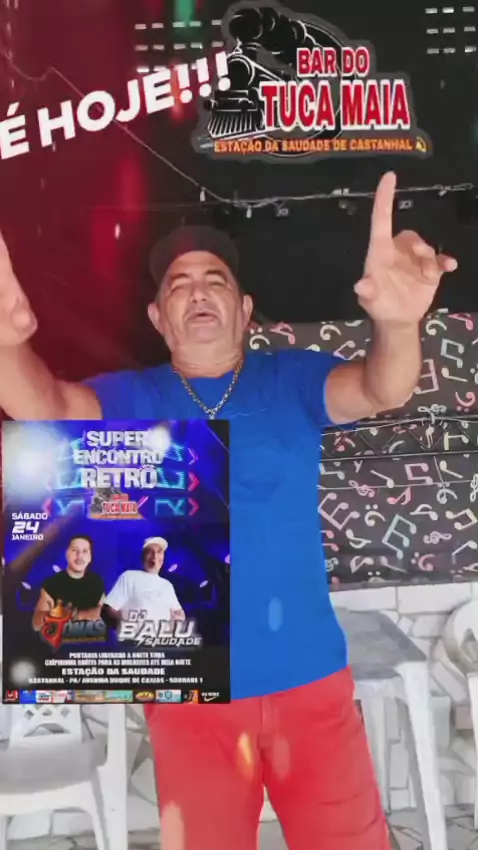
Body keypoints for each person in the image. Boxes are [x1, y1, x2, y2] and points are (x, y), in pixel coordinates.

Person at [0, 172, 457, 850]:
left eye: (214, 279)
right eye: (177, 285)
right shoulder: (127, 399)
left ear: (245, 310)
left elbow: (380, 387)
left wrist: (397, 325)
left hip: (310, 682)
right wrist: (6, 344)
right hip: (192, 698)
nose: (197, 292)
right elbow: (42, 406)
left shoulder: (293, 380)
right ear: (158, 318)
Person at [103, 536, 185, 627]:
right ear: (143, 556)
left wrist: (178, 618)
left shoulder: (167, 585)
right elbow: (109, 609)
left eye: (159, 552)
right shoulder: (130, 577)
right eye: (150, 551)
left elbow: (178, 611)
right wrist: (128, 626)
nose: (154, 556)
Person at [32, 534, 105, 631]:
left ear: (90, 557)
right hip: (61, 639)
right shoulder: (52, 584)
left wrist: (78, 615)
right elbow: (36, 624)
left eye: (85, 551)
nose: (79, 556)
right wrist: (54, 615)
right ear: (67, 553)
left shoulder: (97, 582)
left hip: (92, 639)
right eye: (74, 550)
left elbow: (105, 613)